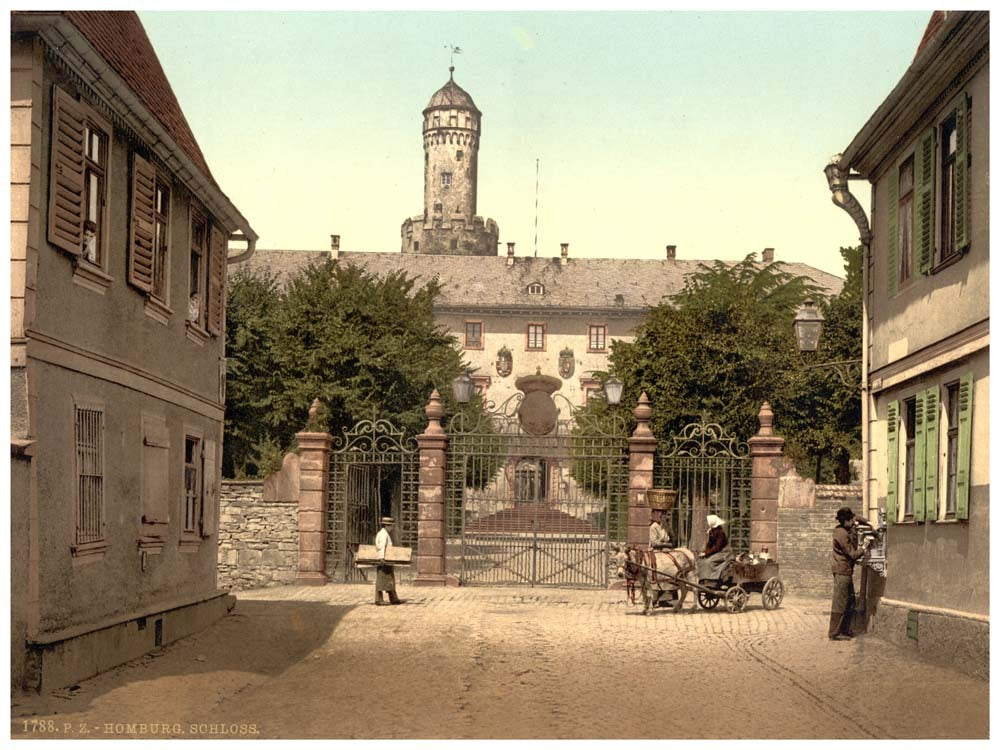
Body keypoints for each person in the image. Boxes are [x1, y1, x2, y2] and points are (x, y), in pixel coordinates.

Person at [830, 506, 868, 640]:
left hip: (846, 571)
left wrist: (868, 523)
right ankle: (834, 633)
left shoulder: (844, 527)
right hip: (842, 571)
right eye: (851, 520)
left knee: (850, 601)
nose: (853, 522)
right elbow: (852, 554)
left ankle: (845, 629)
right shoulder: (841, 534)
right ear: (845, 521)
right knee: (840, 602)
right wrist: (864, 547)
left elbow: (856, 517)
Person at [696, 514, 733, 582]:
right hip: (716, 551)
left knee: (708, 562)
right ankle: (702, 579)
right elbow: (709, 544)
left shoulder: (720, 533)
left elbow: (717, 547)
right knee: (700, 561)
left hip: (724, 553)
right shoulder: (712, 531)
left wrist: (706, 553)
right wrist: (704, 552)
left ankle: (712, 579)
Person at [374, 517, 401, 606]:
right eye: (391, 526)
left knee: (389, 578)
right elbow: (381, 547)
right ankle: (379, 599)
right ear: (387, 525)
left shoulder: (385, 533)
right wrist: (381, 558)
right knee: (381, 580)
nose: (392, 528)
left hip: (386, 559)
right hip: (383, 560)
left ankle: (393, 598)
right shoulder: (383, 534)